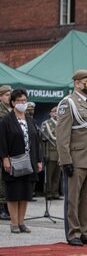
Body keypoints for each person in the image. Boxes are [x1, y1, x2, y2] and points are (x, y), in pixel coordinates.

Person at [56, 70, 87, 246]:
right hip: (76, 158)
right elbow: (62, 135)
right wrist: (65, 159)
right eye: (86, 82)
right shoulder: (68, 103)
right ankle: (73, 233)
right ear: (77, 83)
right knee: (73, 198)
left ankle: (86, 231)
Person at [0, 88, 43, 233]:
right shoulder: (6, 120)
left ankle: (21, 222)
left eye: (24, 100)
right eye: (19, 101)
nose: (22, 103)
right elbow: (2, 141)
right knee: (13, 193)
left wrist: (38, 160)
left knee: (25, 193)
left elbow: (36, 142)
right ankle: (13, 223)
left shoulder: (30, 120)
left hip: (29, 161)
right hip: (13, 161)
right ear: (13, 102)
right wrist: (5, 159)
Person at [41, 106, 62, 200]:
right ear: (51, 113)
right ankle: (48, 192)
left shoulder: (62, 123)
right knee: (49, 175)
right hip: (51, 153)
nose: (57, 114)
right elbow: (43, 140)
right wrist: (45, 154)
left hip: (60, 154)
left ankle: (55, 192)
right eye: (55, 112)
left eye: (58, 112)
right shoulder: (47, 124)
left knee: (57, 175)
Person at [0, 84, 12, 221]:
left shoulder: (13, 110)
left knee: (9, 179)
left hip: (11, 148)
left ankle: (9, 206)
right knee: (1, 180)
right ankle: (2, 207)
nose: (9, 97)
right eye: (7, 95)